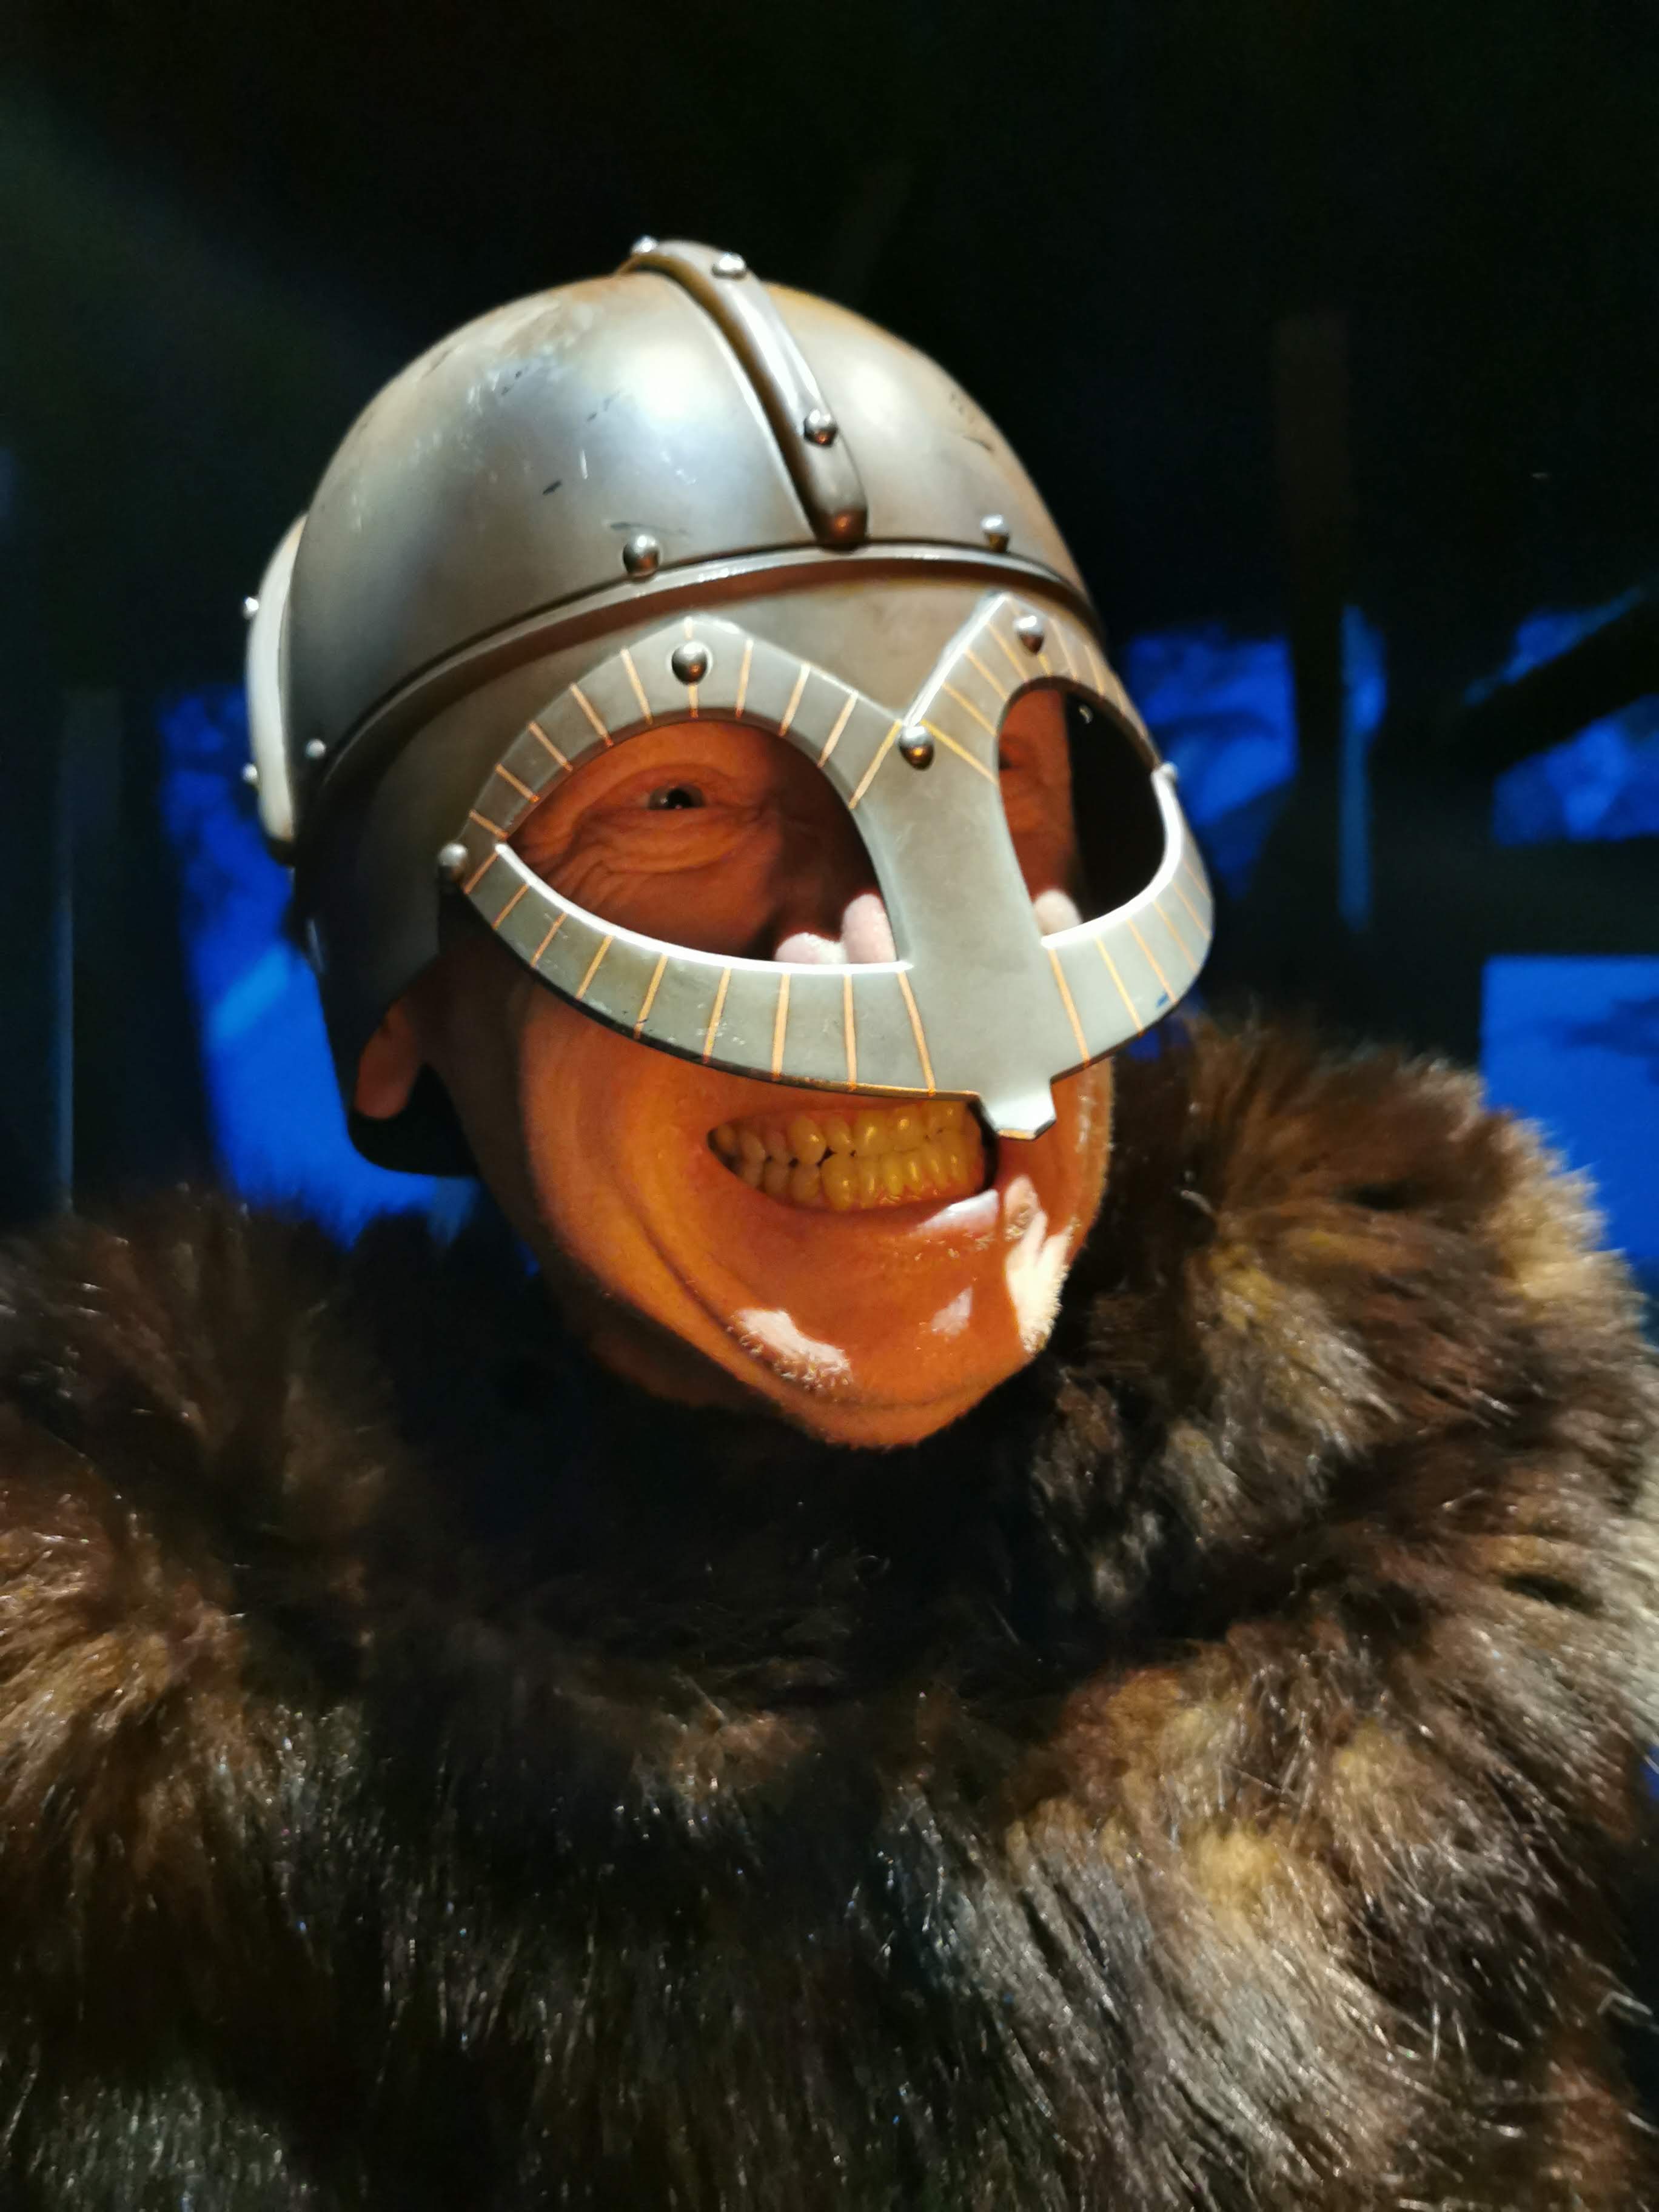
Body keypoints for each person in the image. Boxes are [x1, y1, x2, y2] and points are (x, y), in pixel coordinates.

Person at [0, 240, 1654, 2210]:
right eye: (680, 802)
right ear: (403, 993)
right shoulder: (176, 1802)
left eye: (990, 779)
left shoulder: (1438, 1557)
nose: (898, 978)